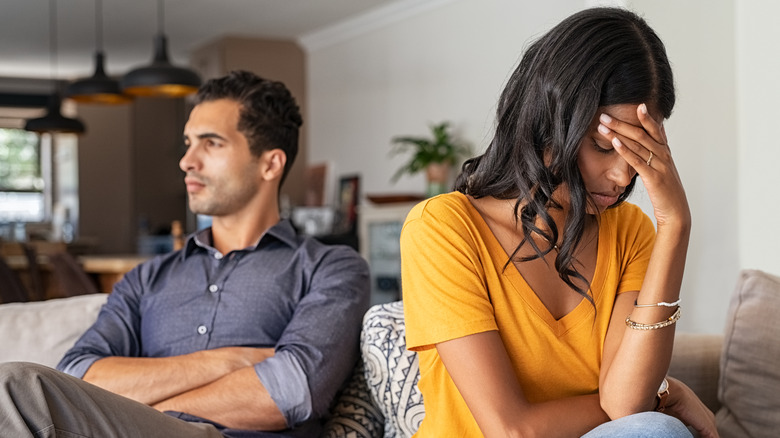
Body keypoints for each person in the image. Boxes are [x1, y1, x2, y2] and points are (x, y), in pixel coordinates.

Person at [401, 8, 718, 438]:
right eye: (604, 147)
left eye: (639, 152)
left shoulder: (629, 231)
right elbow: (512, 430)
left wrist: (675, 223)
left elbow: (625, 404)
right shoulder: (443, 229)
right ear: (547, 123)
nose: (624, 176)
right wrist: (664, 394)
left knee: (651, 430)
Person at [0, 71, 370, 437]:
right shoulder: (147, 279)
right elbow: (78, 375)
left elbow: (289, 390)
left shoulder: (331, 268)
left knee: (15, 387)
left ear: (270, 164)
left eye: (211, 143)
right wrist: (230, 361)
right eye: (188, 142)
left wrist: (145, 408)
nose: (187, 161)